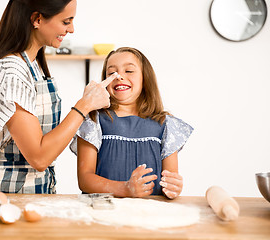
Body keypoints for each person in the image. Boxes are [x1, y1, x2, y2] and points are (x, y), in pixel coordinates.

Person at [0, 0, 118, 193]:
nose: (71, 29)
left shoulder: (34, 65)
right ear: (37, 19)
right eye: (66, 21)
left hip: (37, 190)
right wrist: (84, 105)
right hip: (13, 194)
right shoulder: (13, 72)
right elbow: (39, 157)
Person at [70, 47, 193, 199]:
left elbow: (169, 181)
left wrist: (173, 187)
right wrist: (125, 189)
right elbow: (85, 180)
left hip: (148, 217)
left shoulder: (166, 125)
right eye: (111, 73)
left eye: (129, 71)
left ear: (145, 78)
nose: (119, 76)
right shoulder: (93, 120)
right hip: (103, 213)